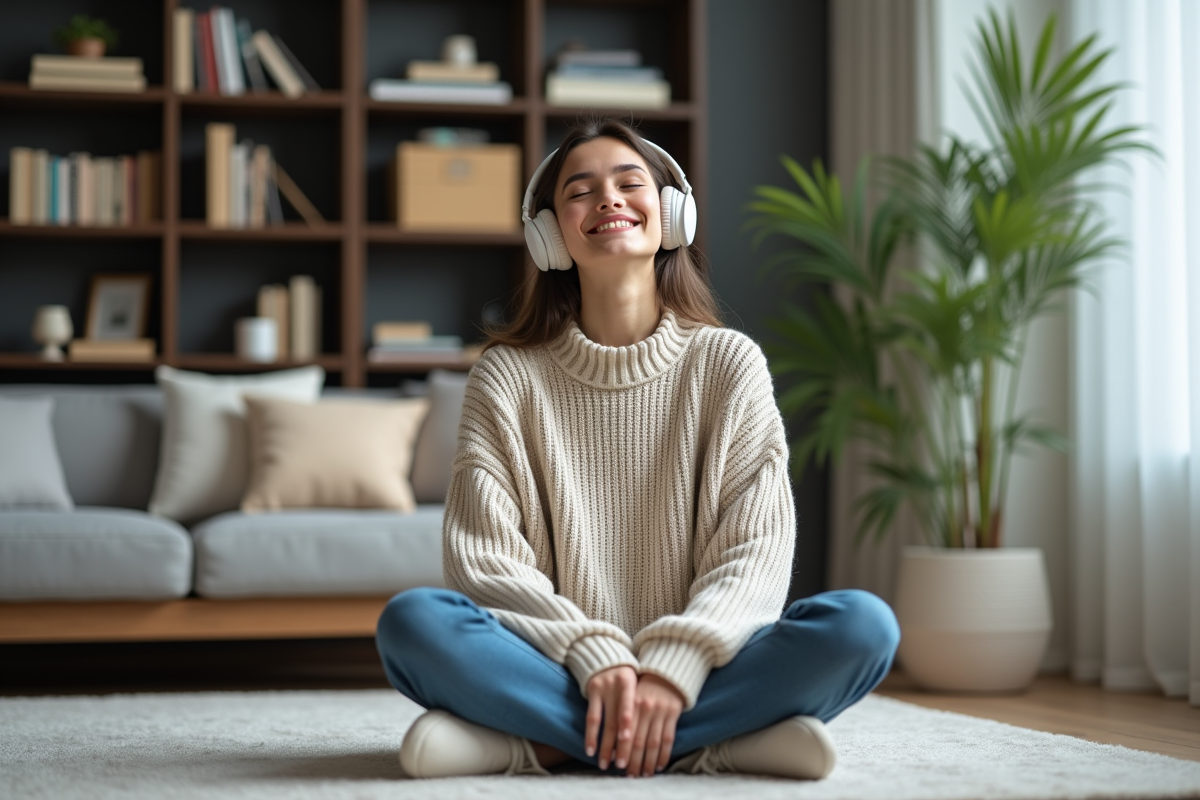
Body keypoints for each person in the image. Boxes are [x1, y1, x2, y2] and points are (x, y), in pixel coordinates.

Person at [375, 117, 900, 780]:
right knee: (414, 624)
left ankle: (538, 744)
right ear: (549, 233)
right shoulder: (506, 376)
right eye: (580, 191)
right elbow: (483, 562)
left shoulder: (728, 364)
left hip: (701, 664)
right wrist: (594, 655)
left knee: (863, 627)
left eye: (630, 183)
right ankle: (713, 744)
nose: (608, 200)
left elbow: (756, 556)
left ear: (671, 214)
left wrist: (673, 668)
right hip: (556, 658)